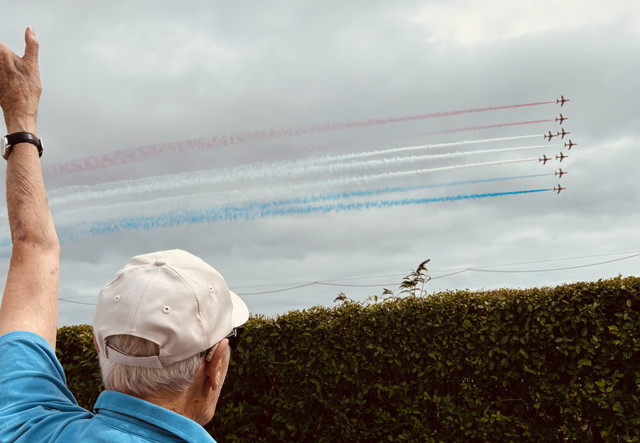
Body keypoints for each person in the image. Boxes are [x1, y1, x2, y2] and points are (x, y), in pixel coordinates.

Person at [0, 27, 248, 442]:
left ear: (99, 350)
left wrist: (20, 120)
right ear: (216, 364)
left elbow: (34, 250)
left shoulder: (26, 422)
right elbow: (34, 249)